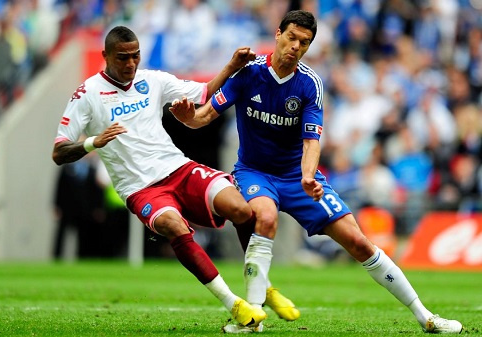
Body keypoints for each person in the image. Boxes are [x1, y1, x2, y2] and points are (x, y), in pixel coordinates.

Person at [169, 10, 463, 334]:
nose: (296, 46)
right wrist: (186, 117)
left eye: (304, 42)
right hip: (254, 172)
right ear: (278, 33)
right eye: (292, 38)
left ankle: (427, 318)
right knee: (265, 218)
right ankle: (252, 320)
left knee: (358, 242)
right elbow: (202, 117)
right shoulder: (248, 74)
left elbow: (312, 140)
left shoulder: (310, 84)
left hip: (297, 177)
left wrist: (308, 176)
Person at [52, 25, 273, 330]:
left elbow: (204, 92)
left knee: (242, 209)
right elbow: (59, 151)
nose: (130, 64)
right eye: (122, 58)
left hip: (177, 168)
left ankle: (258, 291)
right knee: (172, 225)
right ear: (105, 56)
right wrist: (93, 142)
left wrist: (233, 66)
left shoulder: (152, 80)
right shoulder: (87, 93)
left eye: (135, 56)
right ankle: (234, 304)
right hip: (141, 189)